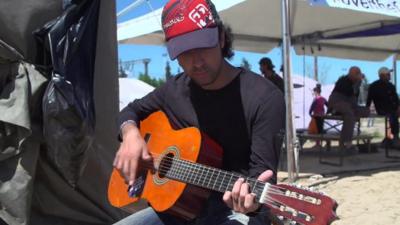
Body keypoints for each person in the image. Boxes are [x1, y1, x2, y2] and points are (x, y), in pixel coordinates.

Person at [112, 0, 285, 225]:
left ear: (221, 38)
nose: (197, 62)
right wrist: (130, 134)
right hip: (178, 208)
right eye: (184, 53)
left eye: (203, 47)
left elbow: (261, 177)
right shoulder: (173, 90)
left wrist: (252, 202)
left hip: (236, 210)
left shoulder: (265, 98)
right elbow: (130, 111)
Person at [328, 66, 369, 149]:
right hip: (337, 102)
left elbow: (354, 97)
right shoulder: (343, 80)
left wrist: (359, 82)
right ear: (351, 74)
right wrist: (358, 82)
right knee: (349, 113)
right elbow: (349, 92)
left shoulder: (356, 83)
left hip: (350, 104)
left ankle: (350, 131)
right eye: (356, 74)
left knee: (365, 111)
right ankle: (346, 141)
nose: (358, 76)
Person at [366, 66, 400, 146]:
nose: (389, 76)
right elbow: (369, 99)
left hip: (393, 108)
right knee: (392, 117)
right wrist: (367, 109)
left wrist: (399, 107)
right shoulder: (374, 86)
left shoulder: (391, 86)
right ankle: (394, 139)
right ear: (381, 76)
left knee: (393, 115)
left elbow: (396, 99)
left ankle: (391, 139)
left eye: (389, 74)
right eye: (388, 74)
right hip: (383, 109)